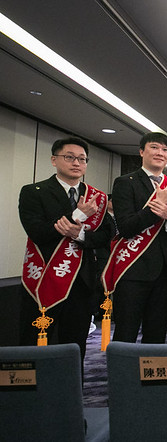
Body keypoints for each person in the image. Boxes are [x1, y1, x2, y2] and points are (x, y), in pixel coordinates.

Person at [18, 137, 113, 363]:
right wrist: (78, 216)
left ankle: (73, 385)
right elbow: (37, 231)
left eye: (82, 159)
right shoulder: (34, 191)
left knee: (75, 344)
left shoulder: (96, 197)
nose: (76, 163)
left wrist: (79, 235)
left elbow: (106, 236)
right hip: (44, 279)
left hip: (82, 281)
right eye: (69, 157)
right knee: (34, 343)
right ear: (54, 160)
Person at [106, 132, 167, 344]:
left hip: (165, 270)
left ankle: (152, 367)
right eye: (154, 147)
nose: (160, 153)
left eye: (165, 150)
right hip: (133, 268)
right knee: (126, 330)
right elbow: (126, 227)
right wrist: (156, 206)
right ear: (141, 152)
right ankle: (125, 367)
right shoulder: (125, 182)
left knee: (156, 332)